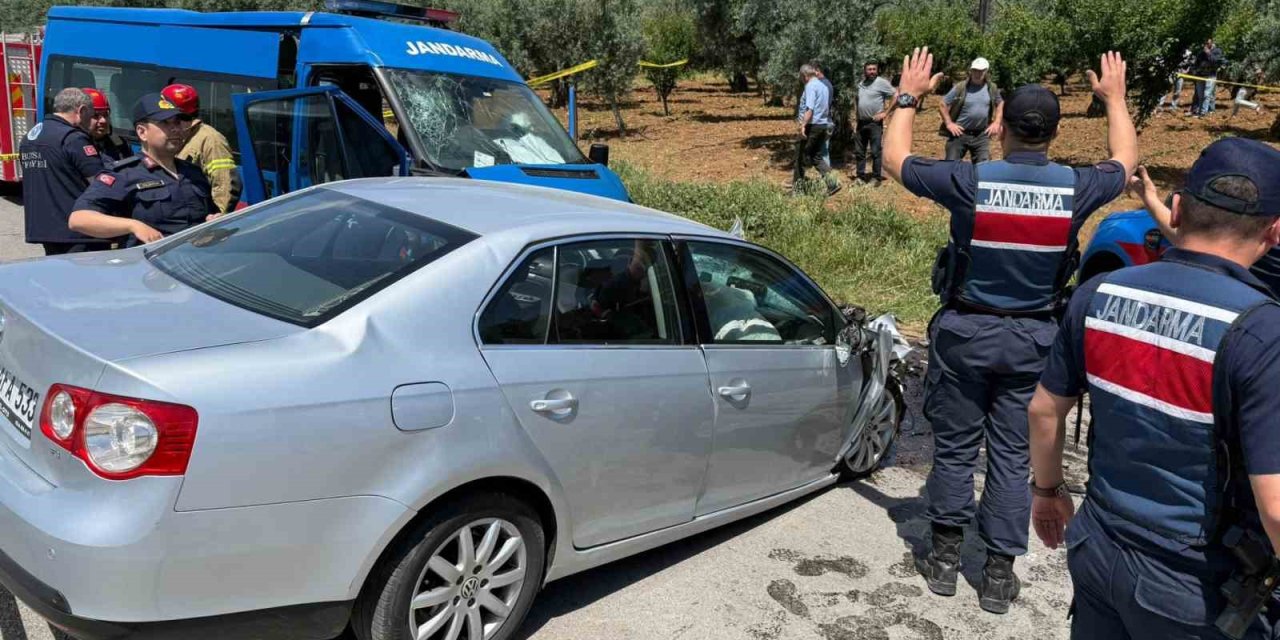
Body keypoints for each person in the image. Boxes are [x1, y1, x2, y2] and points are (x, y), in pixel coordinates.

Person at [883, 47, 1137, 614]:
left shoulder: (970, 181)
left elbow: (894, 158)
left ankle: (944, 557)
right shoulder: (1076, 187)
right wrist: (1116, 99)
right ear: (1052, 131)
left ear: (1001, 130)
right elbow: (1124, 158)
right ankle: (998, 572)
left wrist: (908, 95)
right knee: (1012, 454)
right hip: (1035, 343)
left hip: (965, 334)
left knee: (952, 447)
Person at [1029, 137, 1280, 639]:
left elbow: (1043, 410)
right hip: (1196, 587)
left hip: (1098, 549)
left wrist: (1048, 491)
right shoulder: (1262, 331)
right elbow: (1274, 506)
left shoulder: (1099, 294)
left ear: (1179, 208)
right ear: (1275, 231)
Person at [68, 93, 218, 246]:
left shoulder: (193, 172)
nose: (175, 129)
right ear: (142, 132)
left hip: (197, 262)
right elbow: (79, 219)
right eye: (165, 123)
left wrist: (215, 220)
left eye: (178, 122)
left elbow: (209, 214)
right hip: (150, 265)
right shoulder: (125, 174)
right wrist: (133, 226)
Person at [19, 87, 108, 256]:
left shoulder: (30, 137)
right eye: (90, 116)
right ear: (81, 111)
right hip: (79, 234)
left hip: (45, 229)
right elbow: (101, 184)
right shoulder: (73, 138)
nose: (90, 123)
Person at [160, 83, 240, 213]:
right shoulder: (174, 132)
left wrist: (217, 217)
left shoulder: (211, 139)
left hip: (199, 217)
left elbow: (225, 182)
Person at [939, 58, 1003, 163]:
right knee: (950, 164)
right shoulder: (961, 87)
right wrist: (949, 123)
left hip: (981, 134)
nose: (978, 73)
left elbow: (1000, 103)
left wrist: (996, 122)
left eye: (981, 71)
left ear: (986, 71)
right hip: (959, 133)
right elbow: (943, 104)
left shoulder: (991, 88)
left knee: (983, 166)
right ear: (971, 71)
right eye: (975, 70)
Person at [792, 64, 839, 196]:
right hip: (822, 125)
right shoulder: (823, 86)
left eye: (801, 77)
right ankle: (833, 183)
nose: (801, 80)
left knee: (800, 157)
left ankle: (798, 191)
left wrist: (803, 126)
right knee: (816, 156)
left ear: (804, 76)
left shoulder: (811, 86)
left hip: (812, 125)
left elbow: (810, 109)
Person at [853, 61, 897, 183]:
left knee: (875, 151)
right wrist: (857, 115)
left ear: (877, 70)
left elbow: (896, 95)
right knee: (859, 151)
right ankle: (860, 176)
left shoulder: (881, 83)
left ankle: (876, 177)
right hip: (861, 122)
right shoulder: (861, 84)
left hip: (874, 124)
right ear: (865, 71)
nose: (872, 71)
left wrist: (885, 113)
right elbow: (857, 100)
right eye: (869, 69)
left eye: (874, 69)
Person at [81, 87, 132, 163]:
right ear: (80, 117)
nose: (103, 121)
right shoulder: (75, 147)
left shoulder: (120, 143)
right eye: (95, 115)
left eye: (105, 115)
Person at [809, 60, 835, 169]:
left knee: (823, 153)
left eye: (811, 72)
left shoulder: (821, 85)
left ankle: (830, 182)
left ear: (817, 71)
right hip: (826, 122)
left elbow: (819, 106)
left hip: (822, 122)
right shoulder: (827, 83)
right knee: (823, 152)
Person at [1191, 38, 1225, 117]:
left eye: (1208, 43)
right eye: (1205, 43)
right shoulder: (1201, 52)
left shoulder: (1217, 51)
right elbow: (1196, 62)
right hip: (1200, 76)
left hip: (1211, 76)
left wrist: (1208, 53)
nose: (1206, 45)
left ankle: (1203, 112)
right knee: (1200, 95)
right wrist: (1195, 71)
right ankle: (1199, 111)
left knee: (1207, 94)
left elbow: (1215, 61)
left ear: (1212, 43)